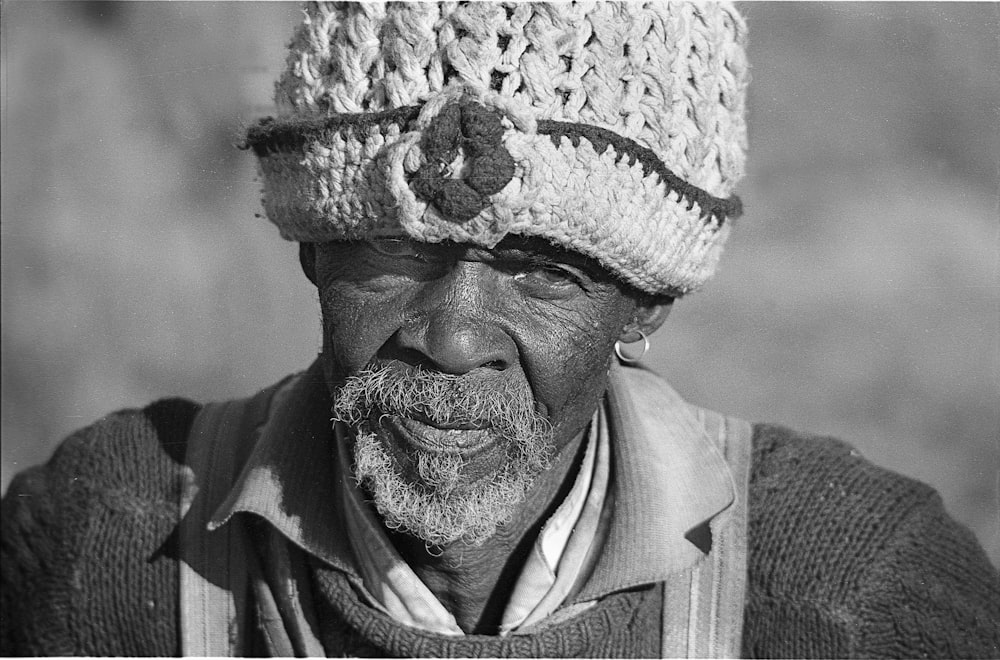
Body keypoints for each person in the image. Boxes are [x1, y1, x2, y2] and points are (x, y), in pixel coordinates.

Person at [2, 2, 998, 657]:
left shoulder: (851, 599)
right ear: (313, 245)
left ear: (643, 299)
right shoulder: (111, 551)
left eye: (540, 271)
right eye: (397, 249)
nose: (452, 337)